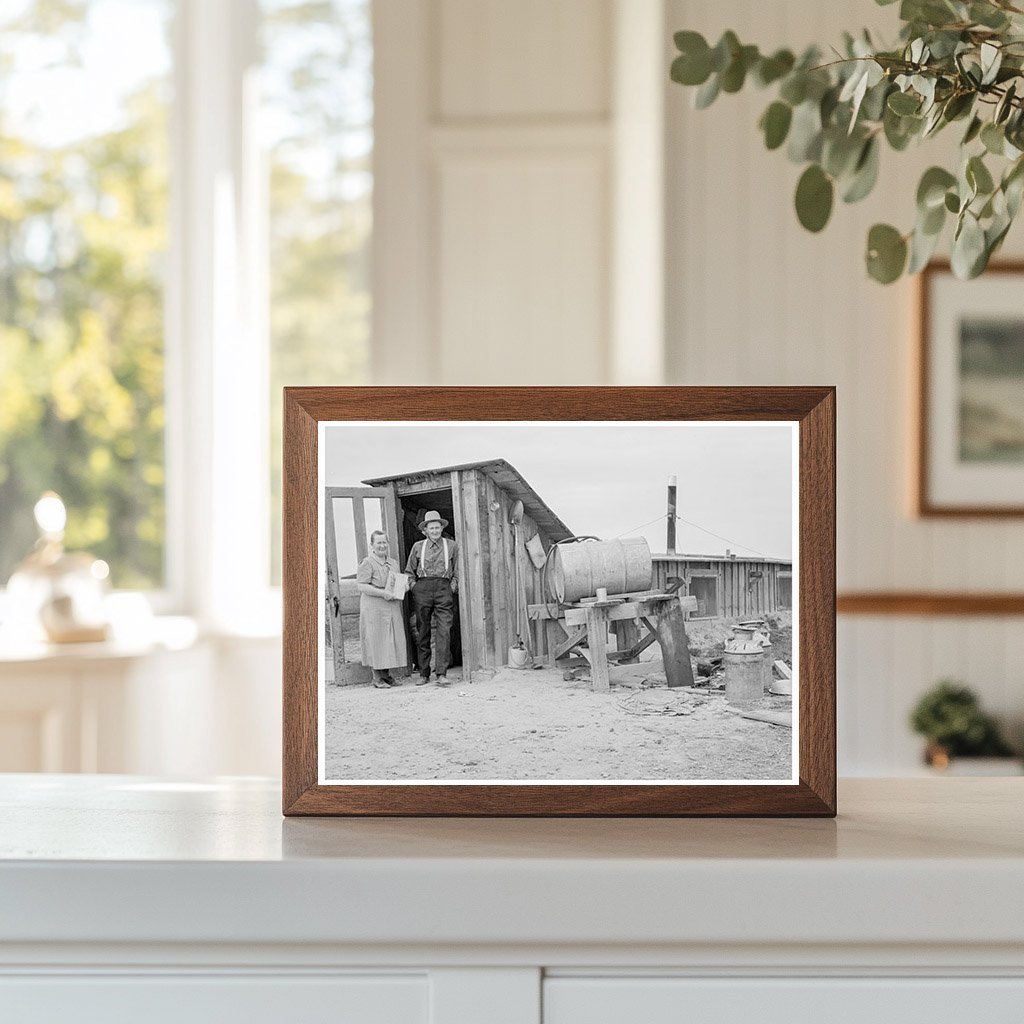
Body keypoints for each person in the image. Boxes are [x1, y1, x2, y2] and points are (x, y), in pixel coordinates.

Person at [405, 510, 459, 686]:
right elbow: (409, 572)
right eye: (431, 528)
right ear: (425, 530)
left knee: (444, 631)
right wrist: (415, 587)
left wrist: (451, 587)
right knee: (423, 632)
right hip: (423, 589)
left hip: (444, 588)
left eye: (437, 527)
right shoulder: (417, 547)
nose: (435, 531)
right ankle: (424, 673)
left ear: (441, 528)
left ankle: (441, 674)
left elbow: (458, 571)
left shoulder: (451, 545)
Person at [355, 530, 407, 688]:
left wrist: (403, 587)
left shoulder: (393, 562)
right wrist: (382, 593)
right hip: (374, 606)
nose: (382, 545)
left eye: (385, 542)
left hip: (391, 605)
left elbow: (396, 581)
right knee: (376, 639)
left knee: (390, 639)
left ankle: (387, 675)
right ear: (372, 545)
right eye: (379, 543)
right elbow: (361, 586)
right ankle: (377, 678)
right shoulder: (367, 563)